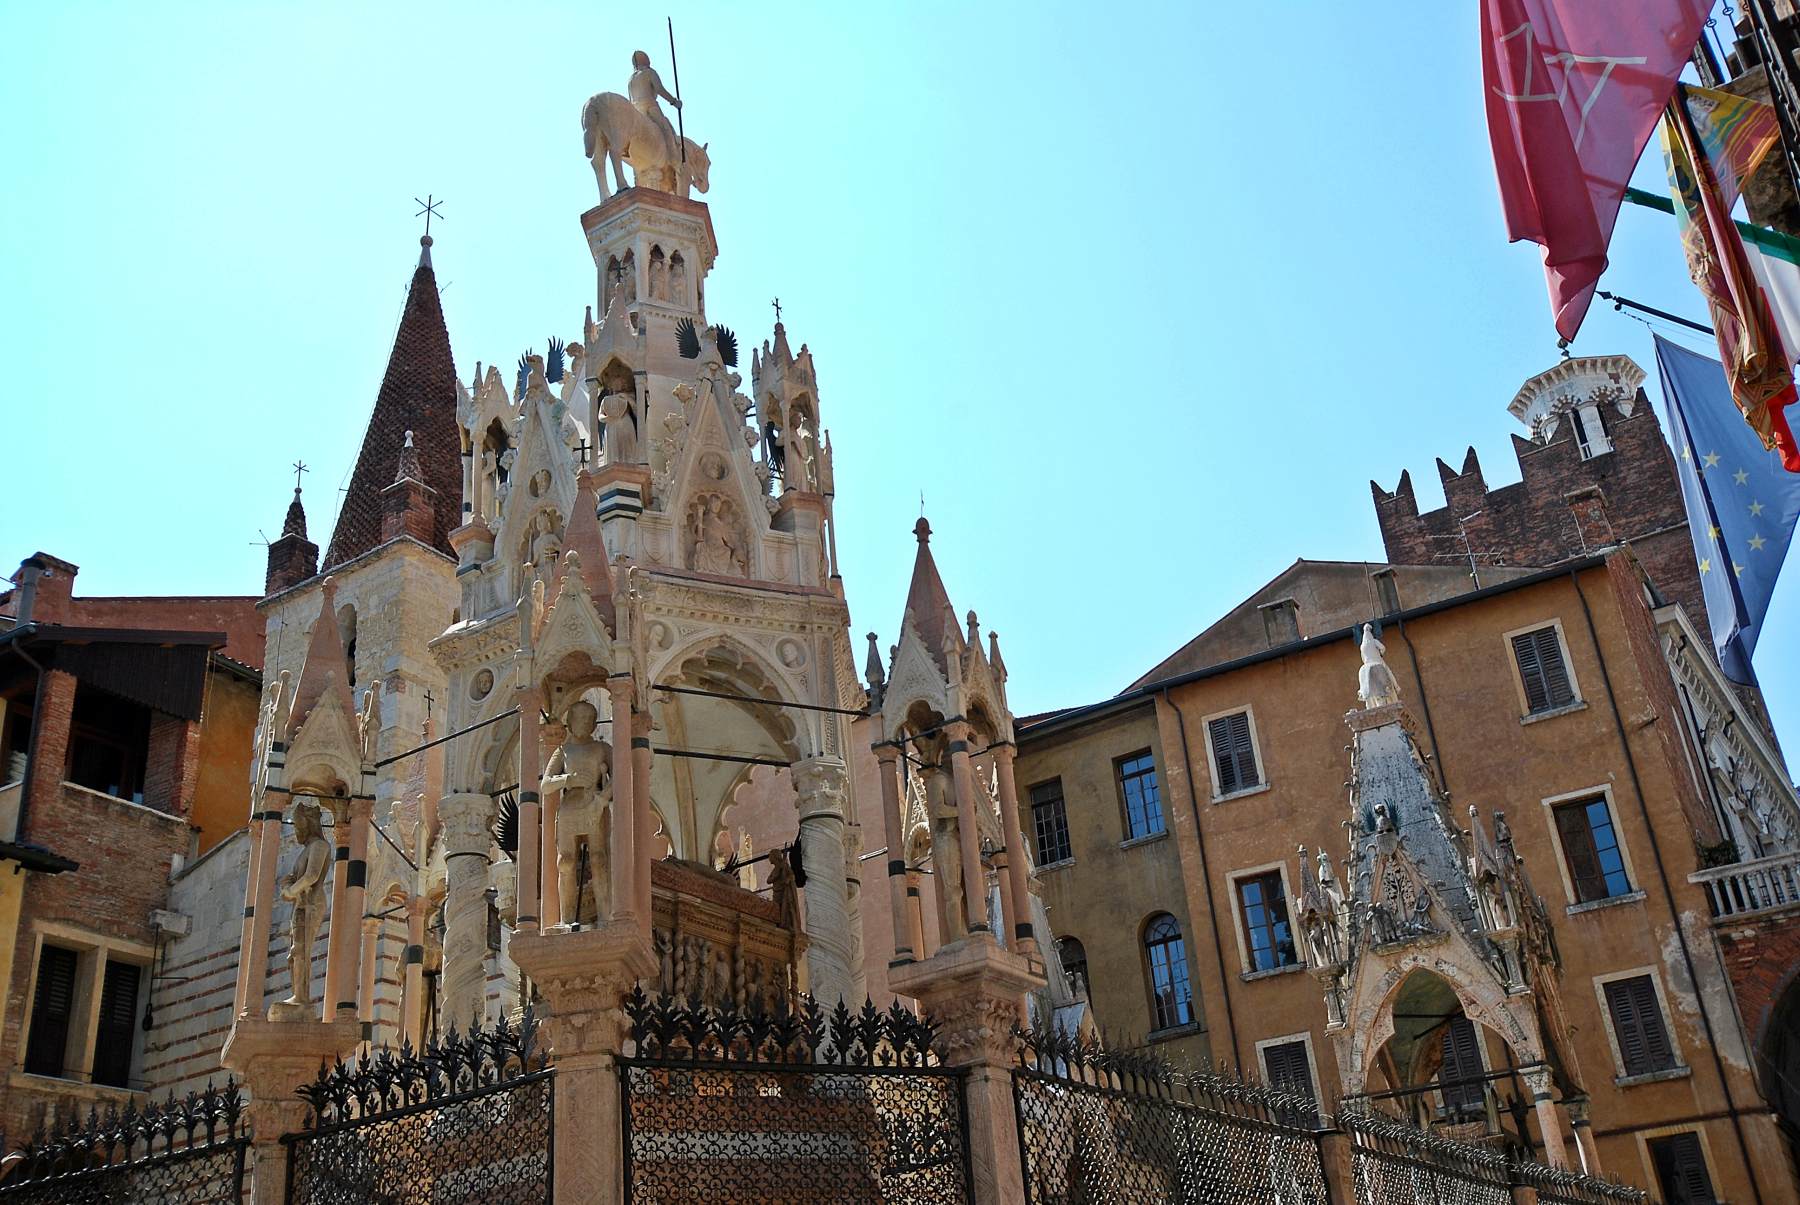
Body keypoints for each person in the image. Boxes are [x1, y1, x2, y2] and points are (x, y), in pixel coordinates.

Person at [628, 50, 682, 166]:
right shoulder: (649, 72)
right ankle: (674, 160)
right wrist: (674, 101)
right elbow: (659, 89)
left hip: (636, 111)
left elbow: (630, 100)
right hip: (650, 107)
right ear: (646, 60)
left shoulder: (631, 79)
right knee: (667, 129)